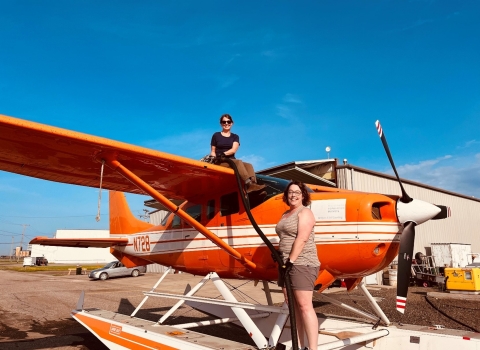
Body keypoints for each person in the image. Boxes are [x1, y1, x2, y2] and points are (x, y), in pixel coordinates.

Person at [276, 181, 320, 350]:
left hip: (301, 263)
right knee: (293, 308)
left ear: (303, 195)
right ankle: (299, 346)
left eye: (297, 192)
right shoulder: (285, 214)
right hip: (285, 264)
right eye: (290, 192)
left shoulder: (305, 212)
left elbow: (301, 239)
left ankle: (313, 348)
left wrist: (290, 262)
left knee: (304, 305)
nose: (293, 195)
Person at [210, 114, 265, 193]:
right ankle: (248, 183)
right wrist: (214, 158)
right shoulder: (216, 135)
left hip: (230, 160)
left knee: (249, 165)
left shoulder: (235, 136)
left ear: (232, 123)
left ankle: (253, 185)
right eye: (224, 122)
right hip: (221, 161)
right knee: (238, 162)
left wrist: (222, 154)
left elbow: (233, 150)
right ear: (221, 124)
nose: (226, 123)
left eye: (228, 121)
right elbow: (213, 151)